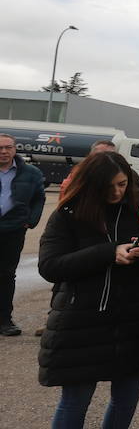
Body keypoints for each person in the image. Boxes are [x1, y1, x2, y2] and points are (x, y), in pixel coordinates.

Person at [37, 150, 139, 429]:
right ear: (91, 185)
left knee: (126, 397)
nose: (117, 192)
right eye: (109, 187)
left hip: (133, 317)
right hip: (80, 320)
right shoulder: (68, 214)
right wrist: (109, 253)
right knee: (75, 399)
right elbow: (50, 266)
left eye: (123, 184)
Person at [0, 132, 46, 336]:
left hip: (13, 230)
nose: (3, 151)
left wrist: (31, 220)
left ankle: (4, 321)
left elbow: (39, 198)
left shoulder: (31, 173)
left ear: (15, 149)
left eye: (8, 147)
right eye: (0, 148)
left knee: (6, 275)